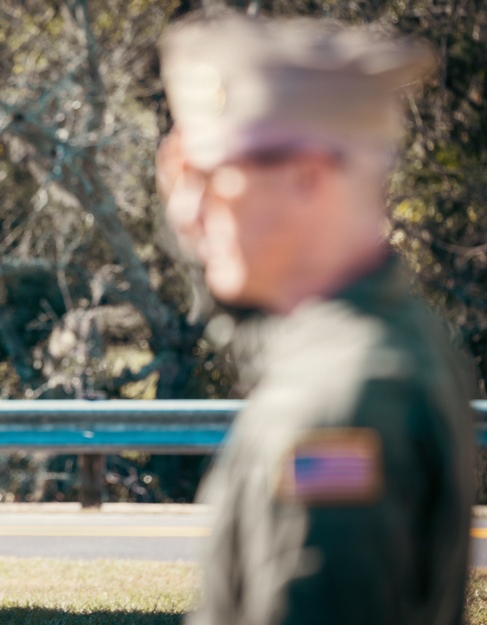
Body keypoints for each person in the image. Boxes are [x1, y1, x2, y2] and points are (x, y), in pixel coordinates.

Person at [155, 11, 476, 625]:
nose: (190, 210)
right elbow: (276, 349)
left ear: (305, 177)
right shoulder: (386, 337)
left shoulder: (336, 408)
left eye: (210, 177)